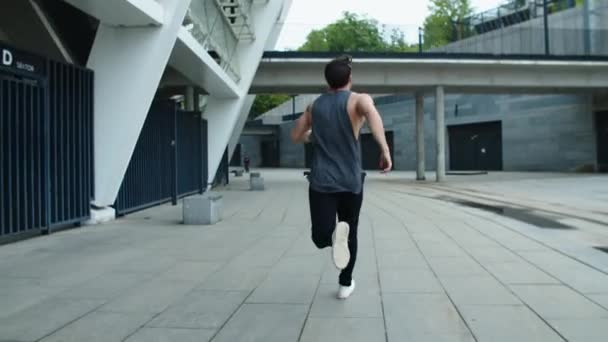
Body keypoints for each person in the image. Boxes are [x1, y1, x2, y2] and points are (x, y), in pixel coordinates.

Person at [290, 55, 392, 299]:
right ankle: (345, 282)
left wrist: (312, 137)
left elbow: (296, 135)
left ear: (327, 81)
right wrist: (384, 149)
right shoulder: (359, 100)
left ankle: (332, 237)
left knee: (319, 236)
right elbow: (373, 117)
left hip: (322, 182)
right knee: (350, 231)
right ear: (350, 78)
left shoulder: (314, 106)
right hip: (350, 181)